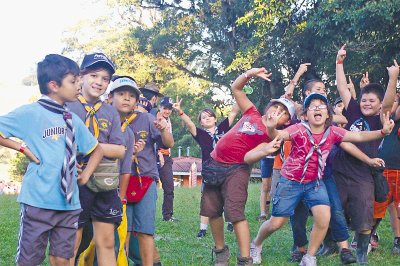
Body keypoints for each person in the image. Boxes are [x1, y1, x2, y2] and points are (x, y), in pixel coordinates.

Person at [248, 92, 394, 265]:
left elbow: (360, 136)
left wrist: (382, 132)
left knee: (324, 218)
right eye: (312, 106)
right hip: (291, 182)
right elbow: (278, 136)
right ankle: (256, 244)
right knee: (276, 222)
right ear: (305, 115)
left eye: (322, 105)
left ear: (327, 114)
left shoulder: (333, 132)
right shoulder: (299, 129)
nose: (317, 108)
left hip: (314, 183)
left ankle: (309, 256)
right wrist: (271, 128)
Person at [0, 54, 103, 266]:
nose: (78, 85)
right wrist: (22, 148)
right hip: (37, 201)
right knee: (29, 260)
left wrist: (84, 177)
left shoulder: (72, 119)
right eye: (73, 81)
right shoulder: (30, 113)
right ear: (54, 85)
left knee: (63, 259)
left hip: (68, 204)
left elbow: (96, 149)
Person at [201, 67, 295, 265]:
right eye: (276, 107)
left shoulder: (274, 137)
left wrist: (270, 131)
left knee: (235, 214)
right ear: (268, 107)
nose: (277, 112)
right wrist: (250, 74)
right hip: (214, 162)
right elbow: (236, 89)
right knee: (212, 211)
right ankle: (220, 252)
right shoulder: (251, 112)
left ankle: (245, 259)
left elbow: (249, 157)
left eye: (283, 113)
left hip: (236, 170)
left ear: (286, 122)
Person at [332, 45, 398, 264]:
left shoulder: (380, 118)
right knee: (335, 206)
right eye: (364, 100)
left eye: (372, 101)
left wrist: (393, 78)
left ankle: (361, 250)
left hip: (363, 172)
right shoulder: (352, 109)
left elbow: (388, 102)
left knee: (364, 209)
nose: (366, 103)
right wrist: (339, 62)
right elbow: (342, 87)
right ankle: (329, 244)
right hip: (341, 167)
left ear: (379, 106)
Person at [67, 52, 126, 266]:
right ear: (80, 77)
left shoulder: (110, 112)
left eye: (105, 79)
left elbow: (120, 150)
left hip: (104, 182)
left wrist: (90, 146)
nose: (99, 82)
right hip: (75, 182)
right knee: (72, 243)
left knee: (107, 242)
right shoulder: (67, 106)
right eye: (94, 75)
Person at [173, 97, 240, 239]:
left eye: (210, 116)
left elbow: (234, 112)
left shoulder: (222, 128)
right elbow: (190, 124)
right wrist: (180, 112)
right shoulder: (201, 134)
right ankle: (202, 229)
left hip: (227, 168)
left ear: (215, 119)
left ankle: (230, 222)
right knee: (207, 199)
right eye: (203, 117)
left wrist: (239, 94)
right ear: (201, 123)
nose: (207, 118)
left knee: (229, 197)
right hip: (210, 171)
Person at [124, 86, 174, 266]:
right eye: (120, 94)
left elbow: (168, 143)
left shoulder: (147, 118)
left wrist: (163, 130)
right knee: (125, 231)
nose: (126, 99)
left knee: (145, 230)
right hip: (120, 180)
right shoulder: (113, 119)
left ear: (137, 99)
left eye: (131, 96)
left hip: (145, 179)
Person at [157, 96, 177, 222]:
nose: (167, 111)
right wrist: (158, 153)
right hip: (157, 156)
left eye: (169, 109)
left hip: (166, 156)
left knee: (169, 187)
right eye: (165, 108)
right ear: (160, 107)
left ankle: (168, 216)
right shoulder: (157, 119)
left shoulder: (168, 120)